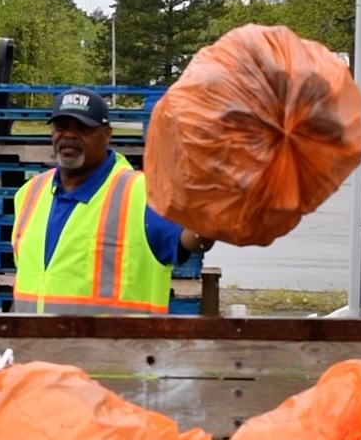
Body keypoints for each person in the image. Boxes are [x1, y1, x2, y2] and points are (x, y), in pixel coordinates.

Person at [11, 87, 213, 315]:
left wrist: (214, 208)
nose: (69, 134)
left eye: (83, 128)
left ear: (107, 134)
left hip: (120, 349)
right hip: (34, 348)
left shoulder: (142, 193)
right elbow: (28, 282)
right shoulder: (29, 193)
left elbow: (192, 239)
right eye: (62, 126)